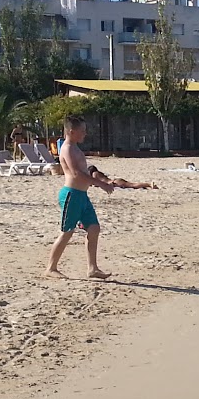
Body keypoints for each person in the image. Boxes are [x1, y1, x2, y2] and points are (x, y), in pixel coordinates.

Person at [46, 114, 113, 279]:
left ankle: (93, 268)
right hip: (71, 195)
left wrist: (99, 179)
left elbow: (84, 172)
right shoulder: (67, 149)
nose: (85, 133)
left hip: (82, 195)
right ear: (71, 131)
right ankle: (51, 268)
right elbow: (76, 174)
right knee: (67, 231)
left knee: (94, 228)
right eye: (82, 131)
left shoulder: (76, 148)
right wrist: (101, 184)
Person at [88, 165, 157, 190]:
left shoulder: (94, 174)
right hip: (115, 180)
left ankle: (149, 184)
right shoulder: (99, 173)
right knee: (132, 184)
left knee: (133, 185)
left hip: (114, 183)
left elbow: (95, 183)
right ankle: (149, 185)